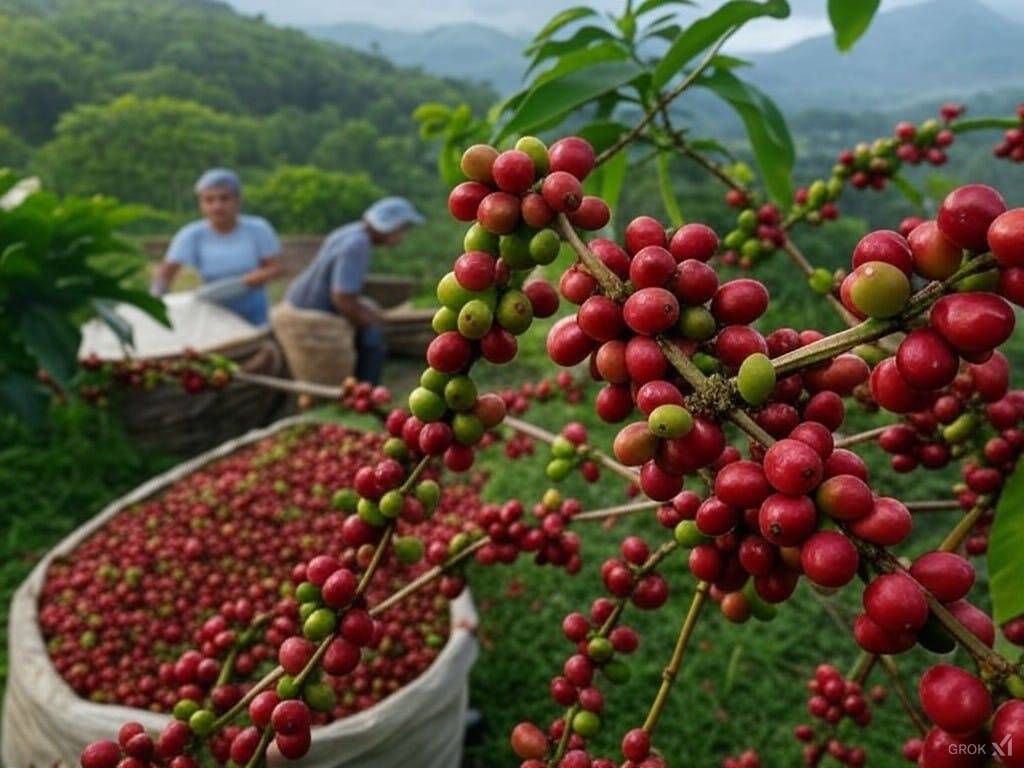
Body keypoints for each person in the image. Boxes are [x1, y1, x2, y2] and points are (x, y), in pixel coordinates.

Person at [272, 196, 425, 386]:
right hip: (313, 309)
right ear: (389, 227)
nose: (401, 236)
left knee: (369, 313)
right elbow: (342, 298)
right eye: (402, 230)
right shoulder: (357, 246)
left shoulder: (350, 231)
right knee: (373, 340)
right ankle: (365, 389)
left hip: (299, 296)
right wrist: (370, 323)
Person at [150, 168, 283, 326]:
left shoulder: (258, 229)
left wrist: (249, 280)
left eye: (224, 199)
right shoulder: (191, 235)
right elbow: (165, 274)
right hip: (212, 313)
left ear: (238, 200)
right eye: (209, 200)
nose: (217, 206)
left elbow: (275, 268)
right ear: (201, 204)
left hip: (254, 315)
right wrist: (154, 306)